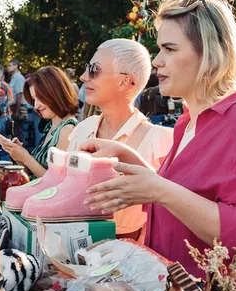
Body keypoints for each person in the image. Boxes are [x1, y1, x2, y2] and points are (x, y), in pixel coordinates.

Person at [82, 0, 236, 291]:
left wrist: (160, 190)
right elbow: (191, 193)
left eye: (169, 49)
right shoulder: (189, 121)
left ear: (209, 55)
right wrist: (132, 160)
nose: (156, 62)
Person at [70, 38, 174, 239]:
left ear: (125, 81)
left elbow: (170, 210)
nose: (84, 77)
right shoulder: (83, 129)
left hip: (130, 261)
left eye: (94, 70)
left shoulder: (158, 141)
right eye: (87, 69)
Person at [0, 66, 79, 177]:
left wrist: (26, 157)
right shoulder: (51, 125)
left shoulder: (67, 129)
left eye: (40, 97)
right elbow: (32, 175)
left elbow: (56, 182)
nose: (36, 105)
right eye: (34, 99)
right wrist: (18, 156)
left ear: (56, 93)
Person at [6, 58, 30, 145]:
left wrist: (17, 110)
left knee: (18, 133)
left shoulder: (18, 78)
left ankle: (21, 153)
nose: (8, 68)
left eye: (10, 65)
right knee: (15, 132)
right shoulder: (13, 78)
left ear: (16, 66)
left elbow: (19, 94)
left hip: (18, 108)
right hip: (15, 108)